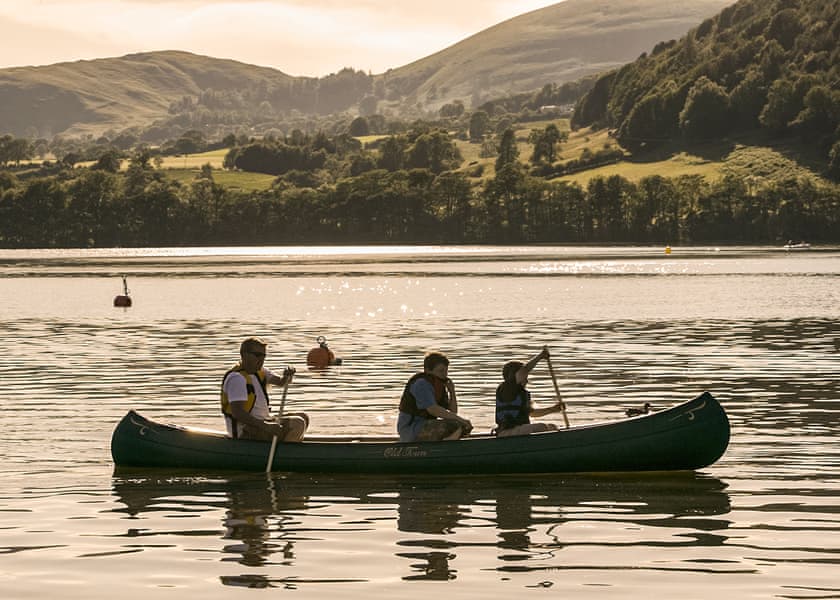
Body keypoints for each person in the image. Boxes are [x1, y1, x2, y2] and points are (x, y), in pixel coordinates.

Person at [220, 337, 309, 442]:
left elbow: (282, 382)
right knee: (298, 424)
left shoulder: (260, 372)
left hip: (262, 422)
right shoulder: (237, 378)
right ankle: (284, 454)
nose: (261, 359)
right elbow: (238, 413)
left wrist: (287, 375)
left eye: (263, 355)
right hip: (245, 431)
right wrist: (266, 426)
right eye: (257, 355)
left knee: (304, 417)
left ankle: (285, 446)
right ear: (244, 355)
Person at [398, 351, 473, 442]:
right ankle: (445, 448)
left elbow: (453, 412)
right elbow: (433, 410)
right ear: (428, 371)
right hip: (411, 430)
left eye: (446, 371)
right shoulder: (421, 384)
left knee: (462, 426)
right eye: (441, 371)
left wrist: (452, 392)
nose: (444, 375)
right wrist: (461, 420)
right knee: (456, 425)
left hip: (426, 426)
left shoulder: (439, 385)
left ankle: (446, 445)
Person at [495, 346, 565, 437]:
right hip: (507, 432)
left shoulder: (521, 394)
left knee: (552, 427)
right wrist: (540, 356)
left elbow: (533, 413)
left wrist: (554, 409)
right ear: (512, 376)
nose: (527, 381)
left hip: (518, 431)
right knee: (542, 427)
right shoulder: (506, 388)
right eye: (525, 378)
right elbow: (524, 370)